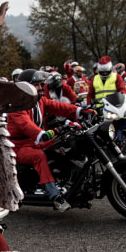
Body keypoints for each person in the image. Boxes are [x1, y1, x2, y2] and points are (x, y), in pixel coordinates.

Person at [8, 69, 95, 212]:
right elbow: (25, 124)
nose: (41, 88)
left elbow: (58, 107)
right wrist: (42, 134)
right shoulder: (17, 105)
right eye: (37, 85)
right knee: (39, 156)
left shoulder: (39, 100)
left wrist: (81, 111)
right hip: (18, 146)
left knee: (63, 143)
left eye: (41, 85)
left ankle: (72, 179)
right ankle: (55, 196)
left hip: (35, 141)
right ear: (26, 87)